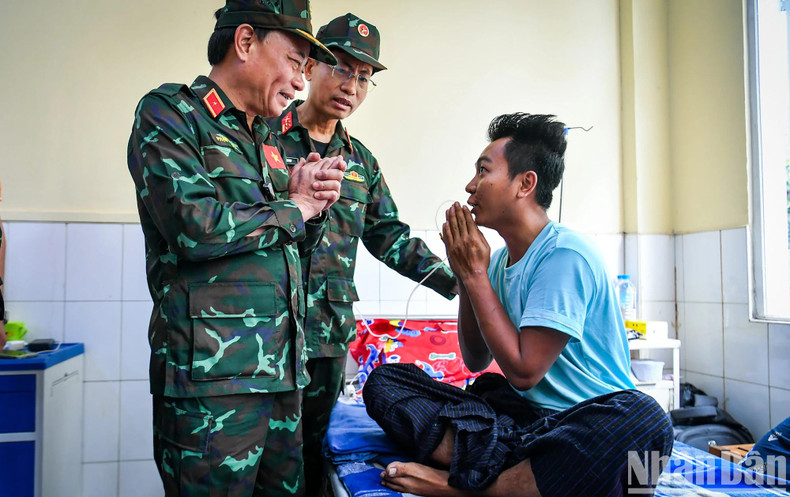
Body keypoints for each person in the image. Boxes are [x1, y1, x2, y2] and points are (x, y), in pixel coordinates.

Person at [363, 113, 674, 497]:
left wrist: (476, 276)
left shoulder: (565, 254)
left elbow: (526, 372)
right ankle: (520, 475)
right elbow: (475, 359)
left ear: (525, 184)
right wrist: (465, 276)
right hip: (523, 426)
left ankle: (471, 487)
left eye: (483, 171)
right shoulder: (493, 263)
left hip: (586, 423)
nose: (470, 185)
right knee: (389, 383)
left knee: (648, 422)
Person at [126, 2, 347, 496]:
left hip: (283, 377)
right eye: (295, 63)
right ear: (245, 42)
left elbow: (284, 244)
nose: (300, 84)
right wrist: (296, 207)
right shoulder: (171, 115)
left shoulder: (268, 138)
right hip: (212, 385)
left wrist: (313, 208)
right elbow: (194, 227)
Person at [268, 13, 457, 495]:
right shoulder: (262, 138)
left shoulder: (362, 164)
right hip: (264, 331)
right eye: (341, 68)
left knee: (312, 455)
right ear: (309, 67)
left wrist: (458, 282)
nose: (351, 85)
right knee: (261, 460)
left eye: (364, 77)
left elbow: (389, 237)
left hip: (327, 335)